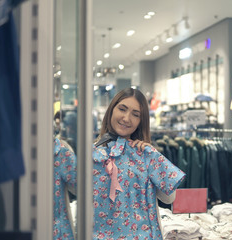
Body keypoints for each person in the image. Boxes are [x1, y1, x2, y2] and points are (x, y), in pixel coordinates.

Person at [53, 87, 186, 240]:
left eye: (135, 115)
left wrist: (154, 156)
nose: (126, 118)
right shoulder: (88, 156)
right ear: (111, 110)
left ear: (140, 122)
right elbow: (74, 192)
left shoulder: (145, 154)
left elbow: (169, 198)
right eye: (122, 109)